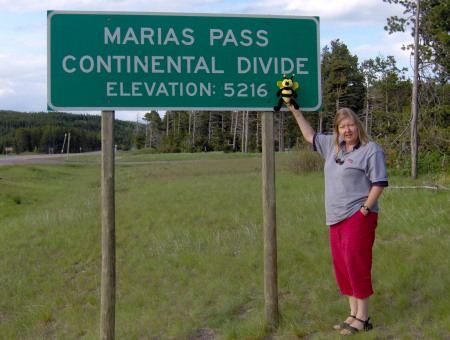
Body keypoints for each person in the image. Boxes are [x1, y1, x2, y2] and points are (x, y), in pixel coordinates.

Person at [286, 103, 388, 334]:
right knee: (343, 267)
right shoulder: (334, 147)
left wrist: (364, 209)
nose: (347, 130)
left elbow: (379, 182)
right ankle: (352, 314)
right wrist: (295, 111)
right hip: (335, 218)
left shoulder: (371, 150)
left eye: (350, 124)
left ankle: (363, 318)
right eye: (342, 126)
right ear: (337, 130)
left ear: (358, 125)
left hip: (358, 216)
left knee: (357, 265)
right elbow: (310, 136)